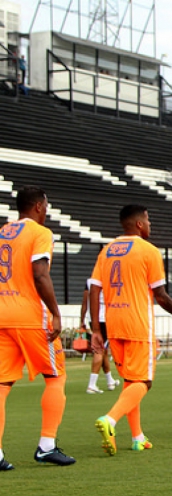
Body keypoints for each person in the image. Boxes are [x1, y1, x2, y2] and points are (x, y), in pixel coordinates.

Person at [91, 205, 172, 455]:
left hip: (113, 324)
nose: (150, 224)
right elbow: (160, 295)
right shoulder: (149, 251)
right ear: (138, 224)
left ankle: (137, 437)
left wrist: (95, 328)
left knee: (130, 381)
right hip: (137, 324)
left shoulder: (107, 250)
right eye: (148, 220)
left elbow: (94, 289)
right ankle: (110, 420)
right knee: (144, 382)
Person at [0, 186, 75, 470]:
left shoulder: (2, 232)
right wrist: (55, 313)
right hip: (30, 316)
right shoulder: (40, 233)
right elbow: (40, 274)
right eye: (46, 205)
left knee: (2, 384)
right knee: (55, 376)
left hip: (2, 315)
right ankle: (47, 446)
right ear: (39, 207)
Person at [80, 283, 118, 393]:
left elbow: (85, 303)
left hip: (93, 319)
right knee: (99, 350)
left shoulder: (89, 281)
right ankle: (92, 384)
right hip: (105, 318)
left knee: (103, 349)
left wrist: (82, 320)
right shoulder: (110, 279)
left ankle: (109, 380)